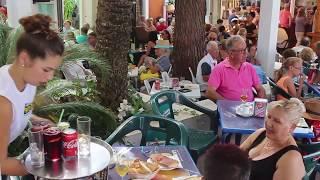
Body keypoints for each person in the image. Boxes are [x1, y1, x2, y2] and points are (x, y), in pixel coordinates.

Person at [0, 14, 64, 176]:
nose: (50, 77)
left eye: (53, 70)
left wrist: (38, 120)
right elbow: (3, 165)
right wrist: (48, 167)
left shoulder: (24, 77)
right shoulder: (3, 103)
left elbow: (20, 109)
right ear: (24, 59)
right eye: (46, 70)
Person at [240, 98, 306, 180]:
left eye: (277, 121)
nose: (268, 123)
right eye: (269, 117)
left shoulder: (291, 159)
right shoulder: (260, 134)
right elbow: (236, 157)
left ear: (291, 127)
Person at [206, 35, 266, 101]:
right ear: (231, 53)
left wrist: (260, 103)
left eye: (245, 49)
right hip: (229, 110)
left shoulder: (249, 67)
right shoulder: (219, 69)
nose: (246, 53)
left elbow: (260, 88)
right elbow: (210, 92)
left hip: (249, 108)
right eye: (242, 51)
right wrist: (227, 104)